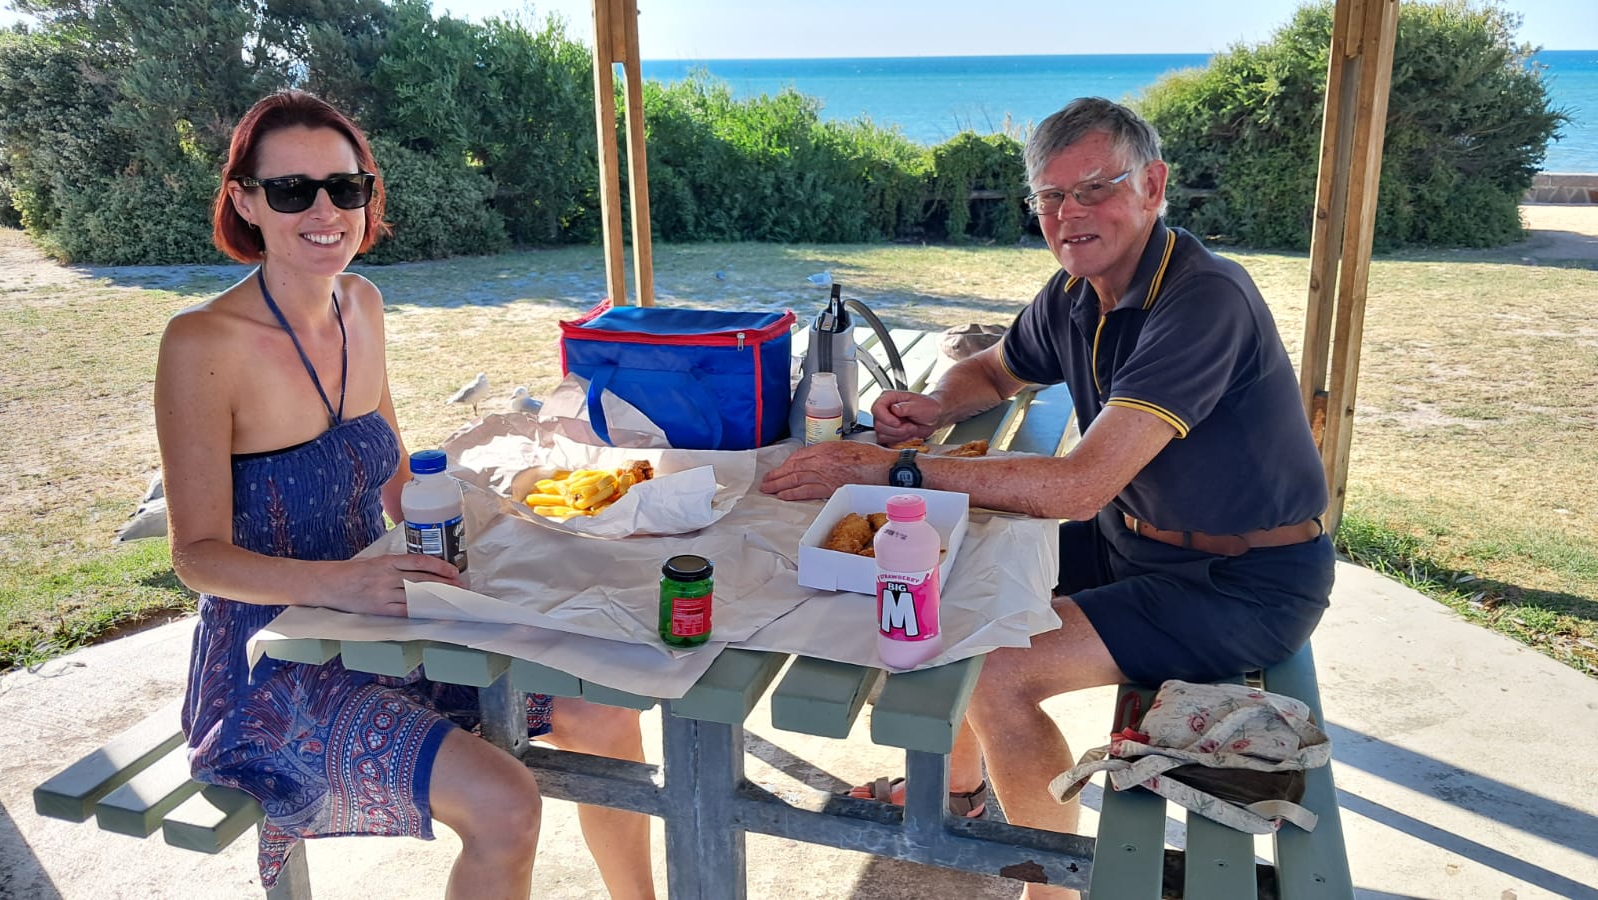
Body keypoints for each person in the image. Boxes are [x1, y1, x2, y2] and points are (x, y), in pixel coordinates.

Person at [761, 97, 1333, 899]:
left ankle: (1050, 888)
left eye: (1095, 188)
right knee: (937, 572)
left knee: (996, 670)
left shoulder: (1203, 299)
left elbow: (1076, 486)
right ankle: (957, 792)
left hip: (1244, 582)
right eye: (1051, 198)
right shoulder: (1076, 290)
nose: (1071, 215)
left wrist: (889, 469)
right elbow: (996, 372)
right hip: (1133, 537)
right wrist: (936, 406)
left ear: (1154, 186)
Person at [156, 90, 655, 899]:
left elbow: (394, 480)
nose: (326, 211)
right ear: (245, 201)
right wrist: (340, 582)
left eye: (346, 187)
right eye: (292, 191)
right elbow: (196, 557)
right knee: (504, 805)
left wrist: (512, 517)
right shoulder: (202, 344)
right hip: (274, 662)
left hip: (382, 617)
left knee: (605, 710)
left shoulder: (362, 304)